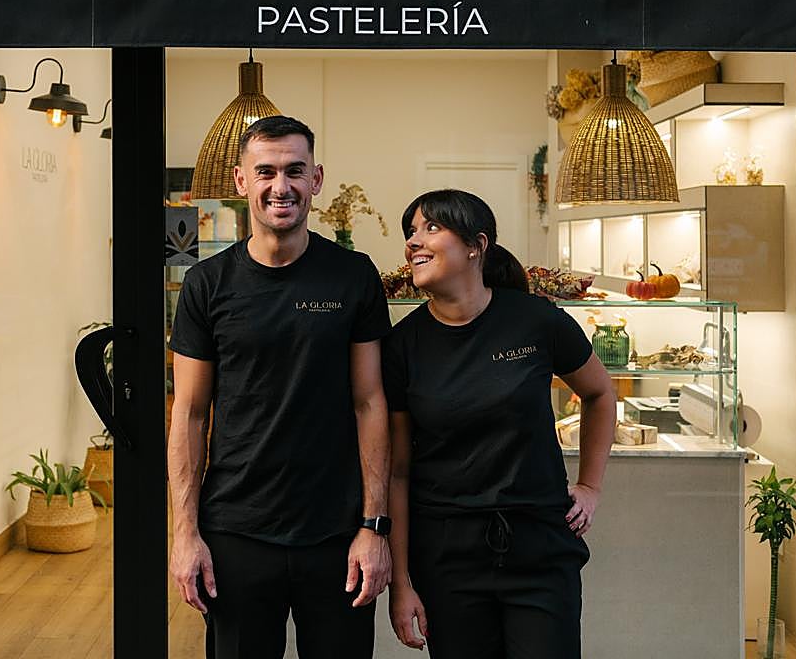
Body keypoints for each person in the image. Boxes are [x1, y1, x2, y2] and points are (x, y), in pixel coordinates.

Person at [168, 115, 393, 659]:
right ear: (242, 182)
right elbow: (191, 414)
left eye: (295, 171)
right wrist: (184, 533)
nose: (280, 186)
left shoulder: (353, 275)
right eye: (265, 172)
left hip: (336, 534)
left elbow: (370, 403)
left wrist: (374, 526)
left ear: (316, 179)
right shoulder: (206, 284)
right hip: (236, 532)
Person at [383, 189, 616, 659]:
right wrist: (401, 583)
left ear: (477, 245)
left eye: (431, 227)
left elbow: (599, 393)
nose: (414, 241)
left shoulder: (536, 321)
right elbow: (399, 472)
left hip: (540, 547)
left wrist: (589, 486)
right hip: (448, 555)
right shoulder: (402, 345)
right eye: (411, 231)